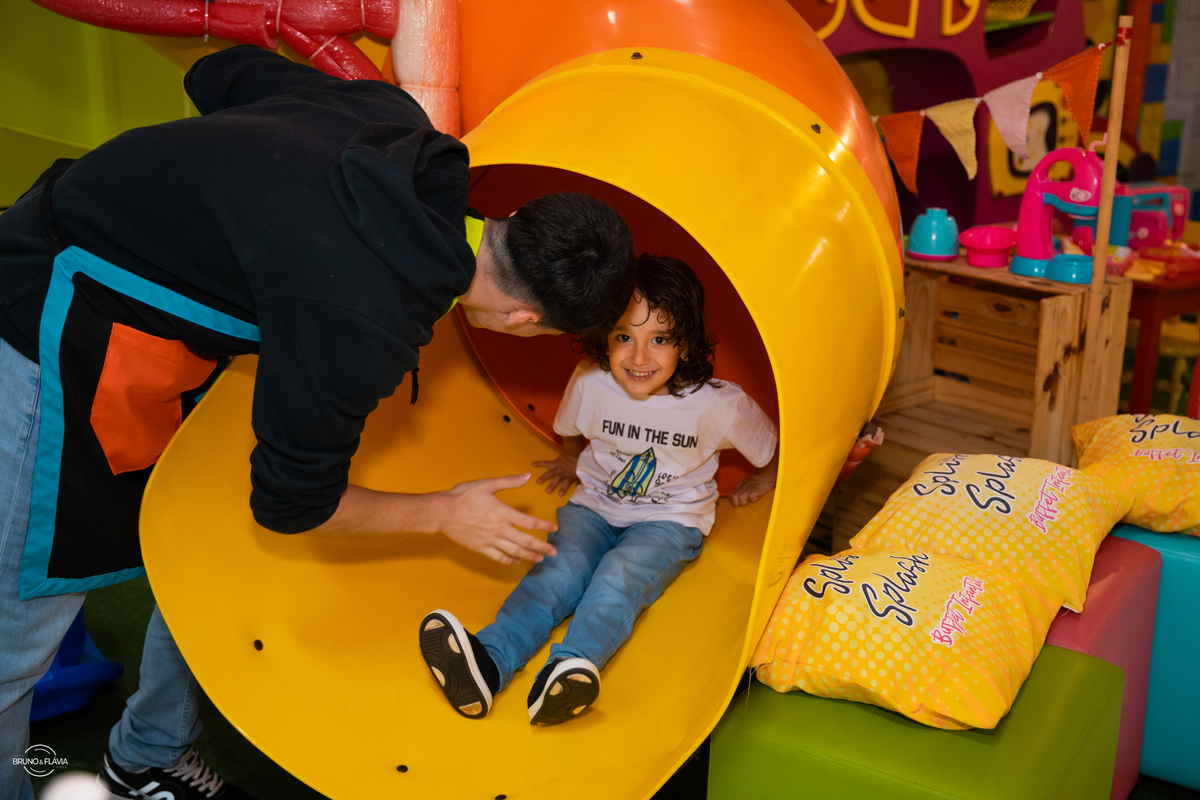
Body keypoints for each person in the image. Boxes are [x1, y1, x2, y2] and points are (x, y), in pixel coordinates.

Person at [0, 45, 635, 800]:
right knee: (22, 629)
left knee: (199, 551)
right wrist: (445, 513)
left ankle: (147, 754)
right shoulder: (363, 317)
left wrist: (232, 197)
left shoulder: (395, 124)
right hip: (44, 318)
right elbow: (293, 505)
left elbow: (219, 72)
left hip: (91, 253)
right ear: (526, 319)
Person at [418, 255, 779, 726]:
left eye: (660, 339)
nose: (639, 357)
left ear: (686, 344)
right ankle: (488, 662)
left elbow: (768, 446)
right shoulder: (592, 382)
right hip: (593, 508)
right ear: (603, 336)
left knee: (617, 577)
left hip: (669, 520)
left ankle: (570, 669)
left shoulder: (717, 405)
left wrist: (764, 478)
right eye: (624, 337)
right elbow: (571, 428)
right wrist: (571, 459)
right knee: (558, 571)